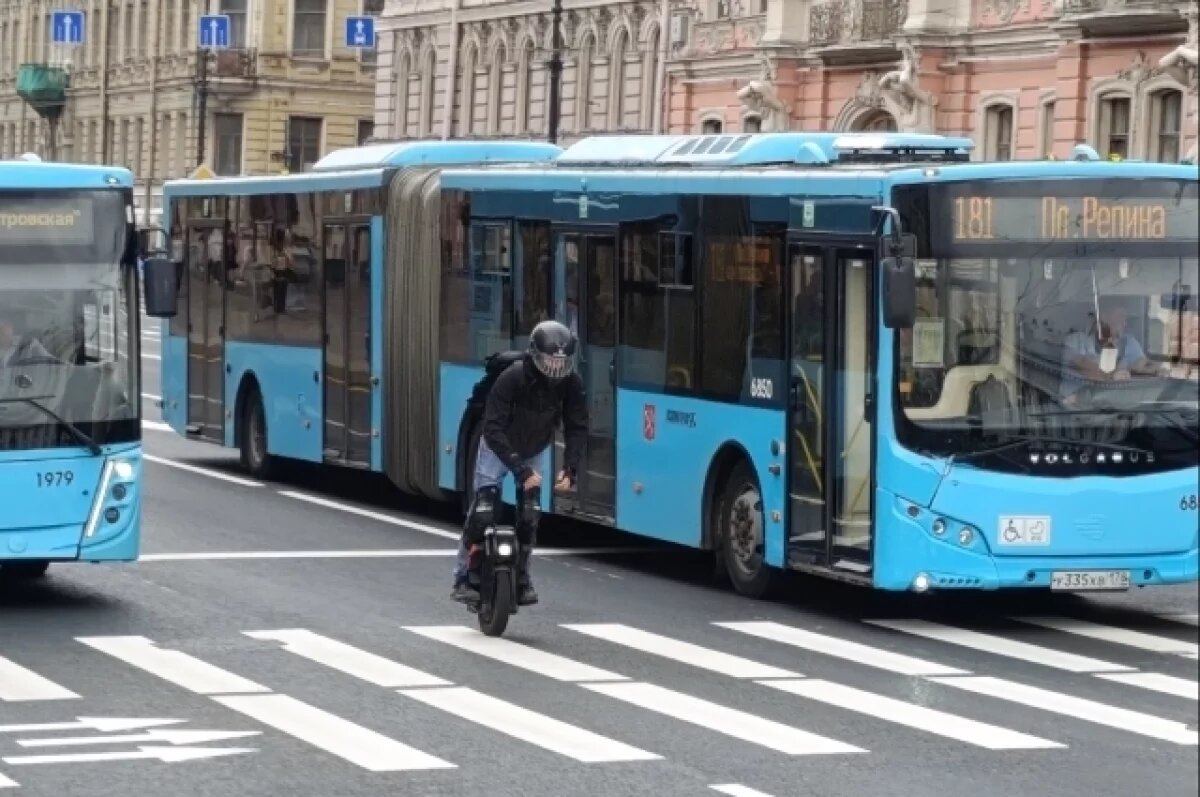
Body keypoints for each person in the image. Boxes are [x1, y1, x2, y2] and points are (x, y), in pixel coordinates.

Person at [451, 320, 588, 606]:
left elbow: (577, 425)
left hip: (535, 446)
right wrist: (520, 469)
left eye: (561, 362)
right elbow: (492, 428)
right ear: (536, 355)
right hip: (498, 447)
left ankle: (523, 577)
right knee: (483, 509)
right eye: (549, 360)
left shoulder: (571, 383)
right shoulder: (512, 378)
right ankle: (463, 577)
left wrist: (571, 467)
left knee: (530, 513)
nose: (554, 369)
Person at [1061, 299, 1168, 403]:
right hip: (1076, 408)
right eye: (1121, 317)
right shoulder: (1075, 341)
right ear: (1103, 316)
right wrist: (1110, 376)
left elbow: (1142, 363)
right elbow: (1081, 363)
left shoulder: (1128, 342)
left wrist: (1156, 370)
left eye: (1125, 319)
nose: (1125, 323)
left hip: (1115, 408)